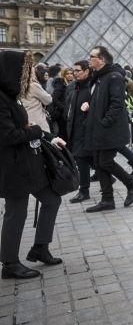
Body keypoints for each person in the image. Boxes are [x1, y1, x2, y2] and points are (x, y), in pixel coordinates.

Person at [0, 50, 65, 279]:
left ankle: (40, 248)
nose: (23, 77)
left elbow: (19, 126)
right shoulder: (2, 98)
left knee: (52, 199)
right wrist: (35, 130)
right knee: (16, 213)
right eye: (21, 72)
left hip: (28, 163)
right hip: (14, 166)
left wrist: (39, 133)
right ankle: (9, 263)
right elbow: (7, 135)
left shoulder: (11, 95)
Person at [84, 46, 133, 212]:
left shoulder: (114, 77)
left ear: (102, 60)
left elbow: (117, 103)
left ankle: (132, 185)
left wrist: (105, 122)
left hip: (109, 128)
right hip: (98, 127)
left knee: (105, 161)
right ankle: (107, 199)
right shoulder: (98, 77)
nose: (89, 59)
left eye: (92, 56)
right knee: (98, 162)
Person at [66, 60, 95, 203]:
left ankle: (84, 191)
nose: (74, 73)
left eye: (77, 71)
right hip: (75, 128)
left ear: (86, 71)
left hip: (84, 129)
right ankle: (111, 178)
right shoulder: (76, 86)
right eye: (74, 70)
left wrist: (85, 121)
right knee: (92, 160)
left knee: (81, 159)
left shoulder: (91, 86)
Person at [50, 67, 73, 143]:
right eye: (67, 74)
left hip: (68, 112)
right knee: (64, 134)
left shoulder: (73, 84)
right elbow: (55, 98)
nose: (70, 75)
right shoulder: (61, 84)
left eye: (71, 73)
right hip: (62, 114)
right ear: (63, 75)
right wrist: (65, 109)